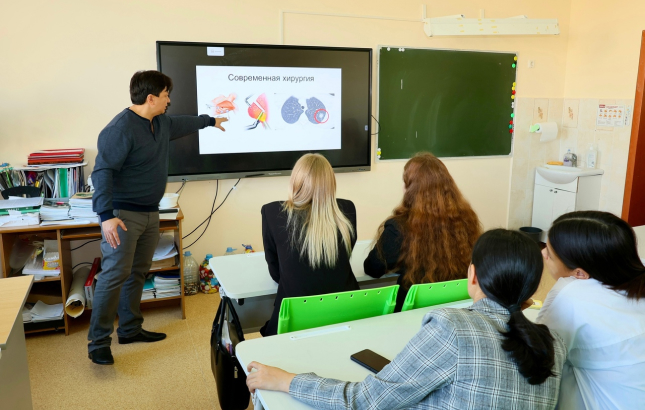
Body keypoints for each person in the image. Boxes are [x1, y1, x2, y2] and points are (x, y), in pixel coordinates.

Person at [246, 229, 566, 409]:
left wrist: (285, 380)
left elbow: (364, 401)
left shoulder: (452, 328)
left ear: (472, 275)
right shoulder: (553, 343)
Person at [88, 70, 227, 365]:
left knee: (138, 273)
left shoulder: (161, 123)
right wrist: (106, 215)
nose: (169, 100)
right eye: (166, 95)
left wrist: (210, 121)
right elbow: (102, 172)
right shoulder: (119, 129)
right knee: (114, 275)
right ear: (151, 98)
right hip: (123, 216)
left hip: (151, 212)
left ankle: (129, 330)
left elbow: (185, 123)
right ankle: (98, 343)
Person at [537, 211, 645, 409]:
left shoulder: (572, 295)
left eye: (550, 254)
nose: (543, 253)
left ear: (580, 273)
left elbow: (536, 357)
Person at [364, 152, 482, 311]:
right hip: (456, 307)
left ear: (411, 189)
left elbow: (372, 269)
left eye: (406, 183)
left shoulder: (399, 227)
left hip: (411, 312)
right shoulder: (467, 219)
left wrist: (403, 259)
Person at [260, 153, 358, 336]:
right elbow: (344, 256)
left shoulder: (272, 213)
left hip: (295, 322)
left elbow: (276, 272)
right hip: (345, 315)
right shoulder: (347, 209)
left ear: (295, 180)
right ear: (330, 182)